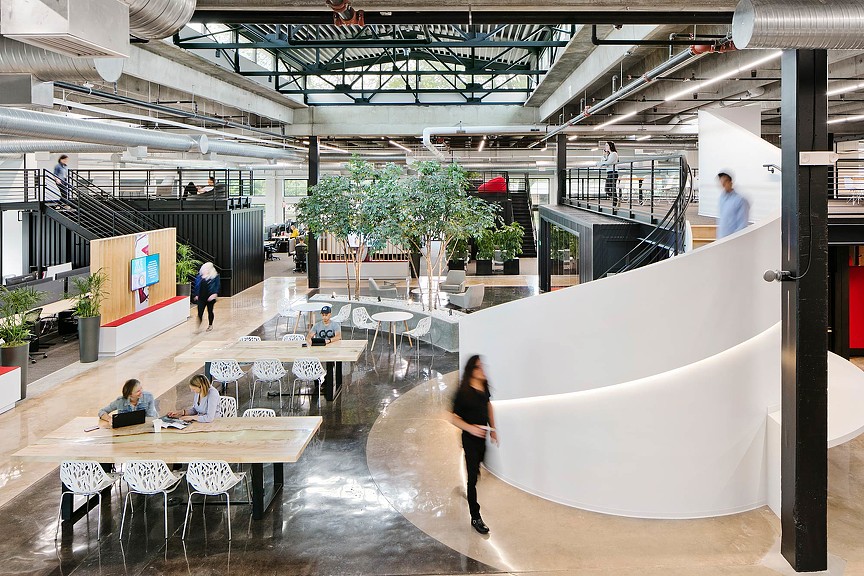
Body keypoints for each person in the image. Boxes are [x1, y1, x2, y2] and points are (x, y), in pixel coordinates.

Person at [449, 355, 498, 535]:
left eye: (482, 366)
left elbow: (488, 405)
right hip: (470, 440)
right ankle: (475, 516)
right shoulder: (463, 392)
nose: (482, 370)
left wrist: (493, 428)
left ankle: (471, 483)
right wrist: (470, 428)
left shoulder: (484, 384)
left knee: (477, 470)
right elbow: (452, 417)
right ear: (471, 370)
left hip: (482, 438)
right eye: (478, 367)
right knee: (472, 480)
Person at [716, 171, 751, 239]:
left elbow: (742, 225)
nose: (723, 185)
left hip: (733, 240)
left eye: (725, 182)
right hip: (721, 239)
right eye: (721, 182)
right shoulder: (721, 198)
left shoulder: (740, 200)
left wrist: (733, 240)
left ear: (731, 182)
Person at [192, 262, 220, 332]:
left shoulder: (215, 276)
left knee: (210, 311)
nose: (205, 270)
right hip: (201, 297)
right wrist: (196, 295)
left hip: (210, 297)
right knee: (200, 312)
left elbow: (217, 286)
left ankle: (210, 325)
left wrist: (214, 294)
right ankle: (198, 327)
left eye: (207, 269)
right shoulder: (199, 277)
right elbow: (197, 286)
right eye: (204, 269)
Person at [598, 141, 620, 207]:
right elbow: (604, 163)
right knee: (607, 189)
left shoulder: (614, 154)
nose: (605, 147)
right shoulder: (609, 155)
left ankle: (615, 203)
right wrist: (604, 156)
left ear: (610, 146)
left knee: (612, 188)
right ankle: (616, 199)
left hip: (613, 172)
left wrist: (601, 163)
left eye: (607, 145)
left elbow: (608, 163)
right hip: (609, 172)